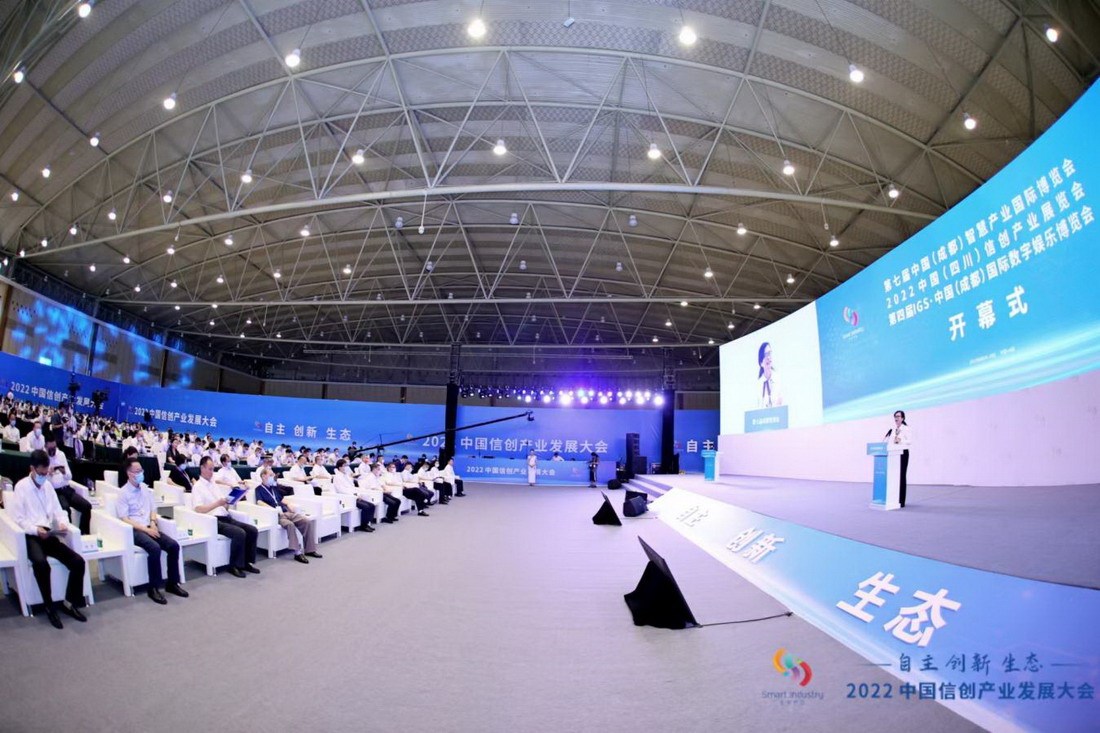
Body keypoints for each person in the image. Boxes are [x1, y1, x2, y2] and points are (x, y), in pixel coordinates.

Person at [9, 450, 88, 629]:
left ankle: (69, 602)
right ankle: (49, 606)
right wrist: (35, 530)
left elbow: (58, 511)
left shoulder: (48, 486)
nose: (44, 477)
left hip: (49, 533)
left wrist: (63, 523)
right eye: (41, 473)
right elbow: (19, 519)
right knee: (41, 564)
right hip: (31, 535)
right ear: (32, 469)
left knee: (78, 562)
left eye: (46, 473)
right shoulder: (21, 487)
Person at [114, 457, 189, 604]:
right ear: (129, 473)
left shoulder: (145, 489)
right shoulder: (123, 493)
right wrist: (145, 529)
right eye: (137, 471)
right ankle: (153, 588)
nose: (140, 473)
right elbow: (124, 518)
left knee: (173, 546)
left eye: (141, 470)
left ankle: (172, 583)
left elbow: (153, 509)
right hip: (135, 530)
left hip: (150, 526)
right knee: (154, 548)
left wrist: (153, 523)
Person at [191, 456, 260, 577]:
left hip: (225, 516)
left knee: (252, 530)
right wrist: (218, 504)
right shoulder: (197, 487)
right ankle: (234, 565)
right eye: (210, 469)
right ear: (202, 468)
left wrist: (230, 501)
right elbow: (198, 509)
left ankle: (246, 562)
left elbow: (223, 503)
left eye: (213, 469)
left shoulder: (213, 484)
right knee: (239, 533)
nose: (212, 472)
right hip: (213, 520)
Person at [255, 467, 322, 562]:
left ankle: (310, 550)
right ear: (263, 476)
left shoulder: (273, 488)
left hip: (286, 512)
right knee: (290, 525)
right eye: (271, 475)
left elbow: (281, 499)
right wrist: (273, 510)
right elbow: (259, 502)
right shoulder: (259, 489)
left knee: (306, 521)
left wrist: (289, 504)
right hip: (276, 516)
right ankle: (297, 553)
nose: (273, 476)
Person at [45, 434, 91, 535]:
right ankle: (71, 537)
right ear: (46, 447)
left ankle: (83, 533)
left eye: (54, 448)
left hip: (67, 489)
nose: (53, 451)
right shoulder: (43, 458)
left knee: (87, 506)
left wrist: (64, 472)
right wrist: (49, 474)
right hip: (55, 492)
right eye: (50, 449)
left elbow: (69, 477)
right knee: (66, 509)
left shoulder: (61, 455)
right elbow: (43, 483)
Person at [332, 458, 376, 533]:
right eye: (344, 466)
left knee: (372, 505)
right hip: (347, 498)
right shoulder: (337, 477)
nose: (346, 467)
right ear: (340, 467)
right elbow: (341, 490)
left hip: (354, 496)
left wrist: (358, 494)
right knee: (366, 507)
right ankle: (363, 526)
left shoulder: (346, 476)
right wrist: (354, 495)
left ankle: (367, 523)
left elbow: (352, 487)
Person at [885, 410, 912, 508]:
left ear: (902, 418)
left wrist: (900, 440)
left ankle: (901, 500)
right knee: (895, 476)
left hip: (903, 453)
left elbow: (909, 441)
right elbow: (891, 442)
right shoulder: (893, 429)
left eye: (898, 416)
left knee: (901, 476)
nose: (896, 418)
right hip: (894, 454)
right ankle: (894, 499)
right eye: (895, 416)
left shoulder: (906, 428)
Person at [756, 341, 782, 408]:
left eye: (769, 353)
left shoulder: (779, 379)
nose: (768, 357)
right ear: (761, 363)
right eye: (765, 355)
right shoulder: (758, 384)